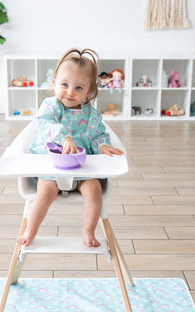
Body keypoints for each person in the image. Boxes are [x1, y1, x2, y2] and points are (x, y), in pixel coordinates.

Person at [17, 48, 124, 248]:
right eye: (65, 85)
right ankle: (30, 231)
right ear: (54, 83)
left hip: (81, 169)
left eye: (79, 88)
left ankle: (88, 231)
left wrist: (102, 146)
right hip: (51, 168)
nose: (70, 92)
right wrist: (65, 138)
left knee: (94, 189)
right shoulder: (51, 106)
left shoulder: (92, 115)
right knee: (45, 192)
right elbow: (43, 124)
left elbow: (99, 133)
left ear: (89, 91)